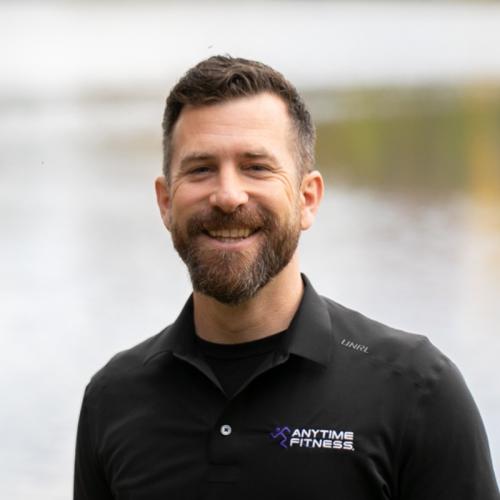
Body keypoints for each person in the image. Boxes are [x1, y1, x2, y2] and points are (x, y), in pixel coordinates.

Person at [74, 56, 499, 500]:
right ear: (165, 202)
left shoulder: (416, 392)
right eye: (200, 169)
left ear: (307, 198)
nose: (228, 195)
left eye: (256, 167)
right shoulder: (113, 399)